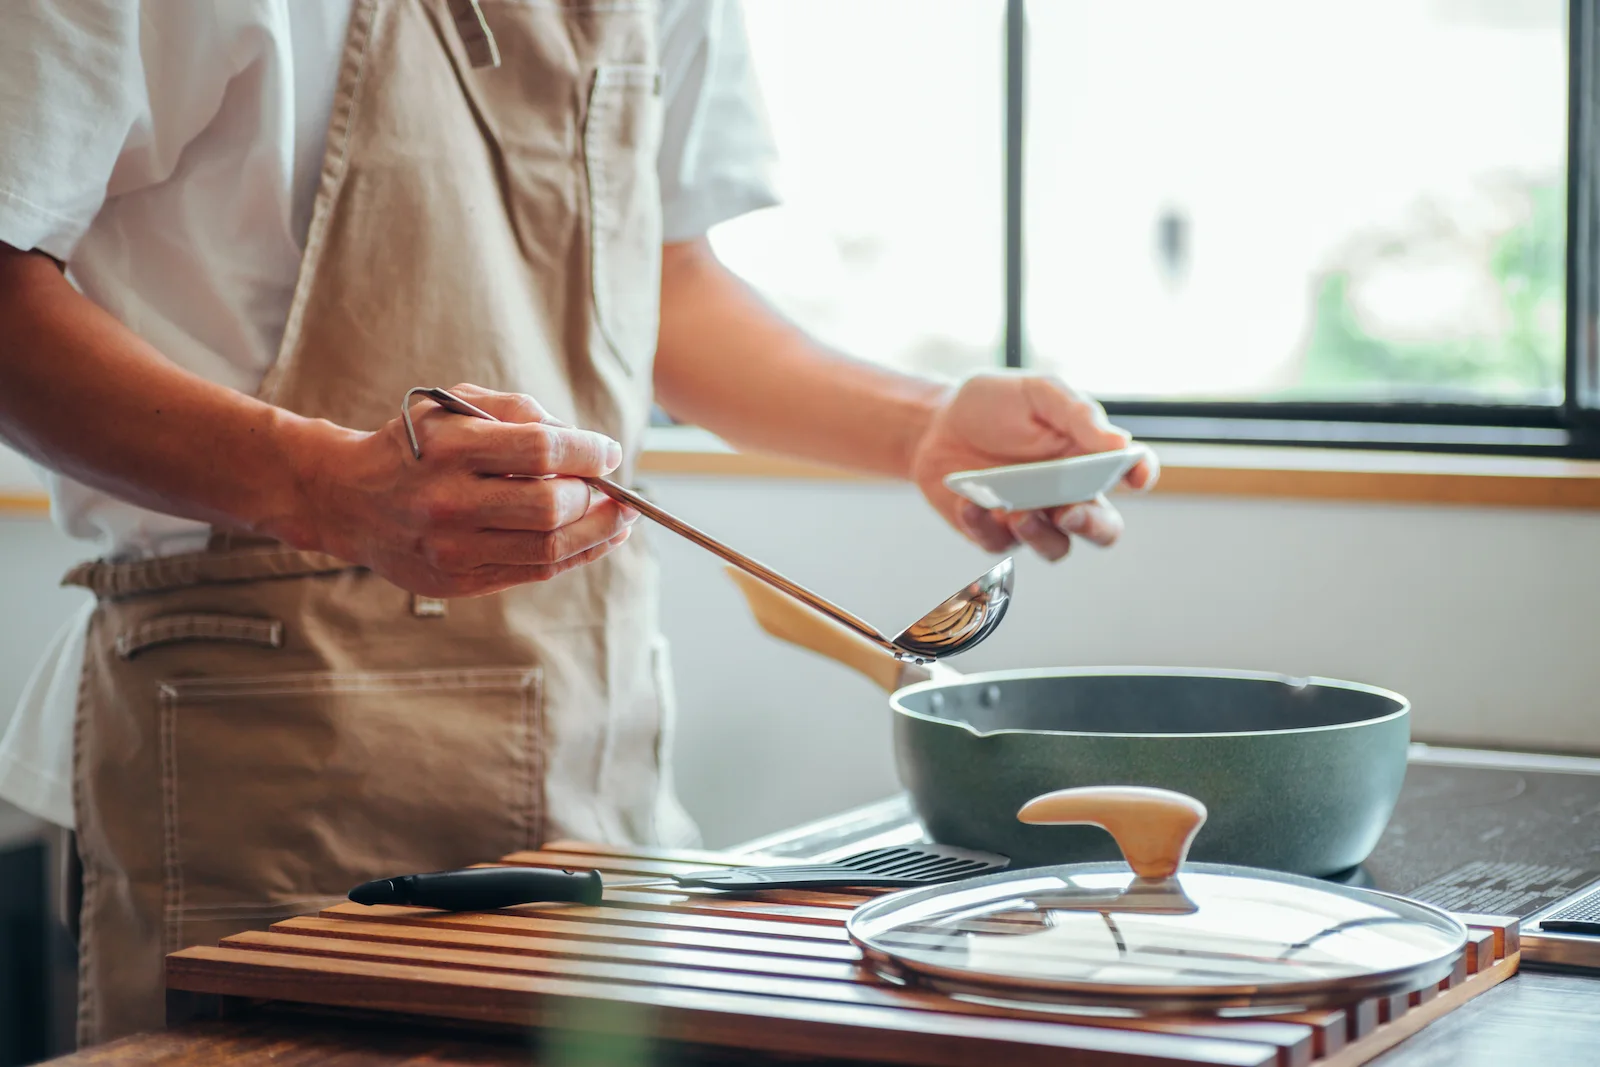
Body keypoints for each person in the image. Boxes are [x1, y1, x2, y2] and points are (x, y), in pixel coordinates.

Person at [0, 0, 1158, 1046]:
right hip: (267, 754)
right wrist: (323, 486)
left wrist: (917, 423)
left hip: (592, 734)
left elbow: (667, 280)